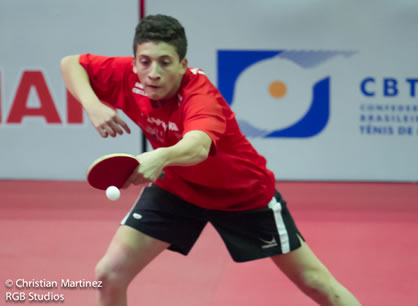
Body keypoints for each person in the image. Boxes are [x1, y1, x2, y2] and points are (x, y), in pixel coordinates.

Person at [60, 14, 361, 306]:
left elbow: (198, 147)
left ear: (182, 65)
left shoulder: (200, 95)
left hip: (242, 195)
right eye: (145, 61)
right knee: (109, 274)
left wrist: (159, 157)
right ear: (136, 61)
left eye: (165, 63)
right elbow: (71, 64)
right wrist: (92, 104)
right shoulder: (127, 74)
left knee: (318, 285)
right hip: (177, 189)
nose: (153, 72)